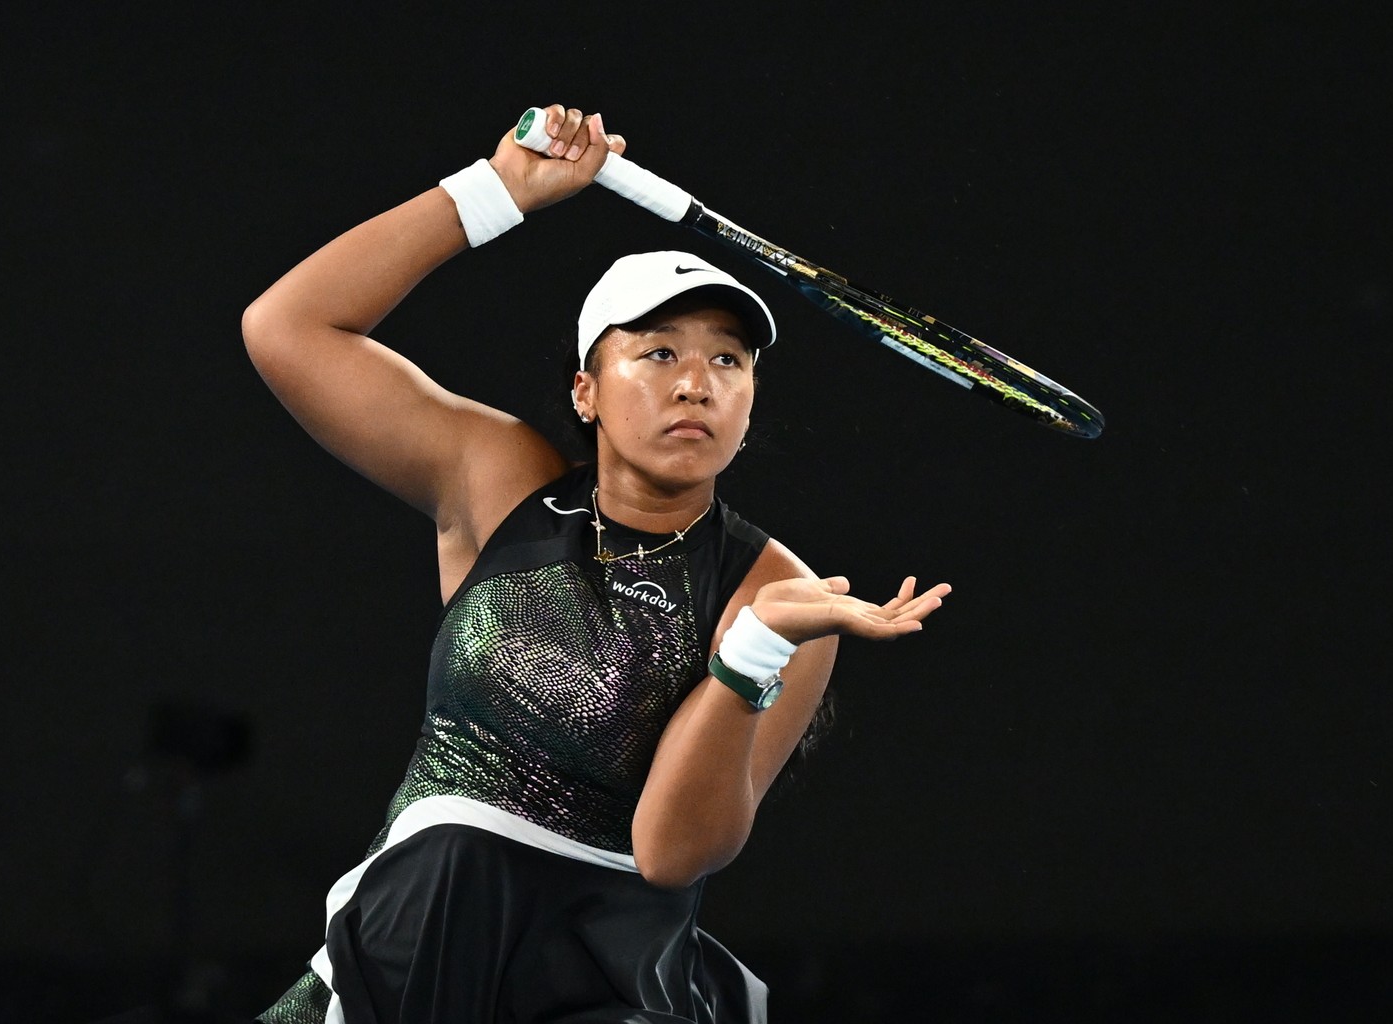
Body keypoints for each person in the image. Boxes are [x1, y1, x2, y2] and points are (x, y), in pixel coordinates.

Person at [241, 104, 952, 1024]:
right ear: (586, 388)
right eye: (658, 352)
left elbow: (670, 855)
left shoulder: (778, 595)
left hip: (596, 993)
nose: (697, 382)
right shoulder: (498, 484)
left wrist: (751, 654)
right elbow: (287, 328)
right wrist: (499, 192)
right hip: (411, 957)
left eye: (728, 362)